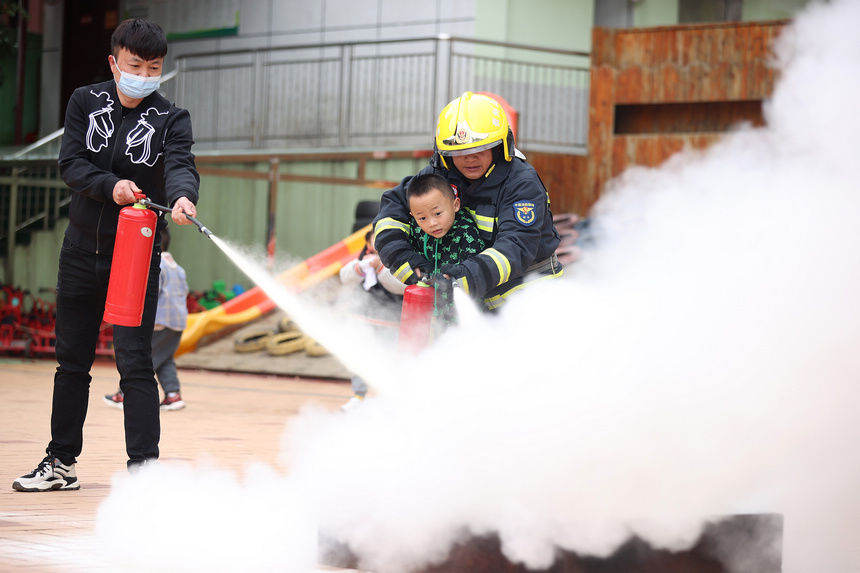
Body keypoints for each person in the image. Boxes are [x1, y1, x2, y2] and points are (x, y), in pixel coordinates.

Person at [13, 18, 199, 492]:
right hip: (79, 250)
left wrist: (182, 197)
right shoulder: (84, 101)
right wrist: (109, 186)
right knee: (71, 361)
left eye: (154, 67)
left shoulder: (172, 118)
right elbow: (71, 164)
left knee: (135, 362)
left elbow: (181, 166)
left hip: (135, 256)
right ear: (114, 63)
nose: (144, 74)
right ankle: (60, 463)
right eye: (136, 65)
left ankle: (143, 472)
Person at [373, 92, 563, 311]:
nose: (469, 158)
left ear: (499, 147)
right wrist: (411, 266)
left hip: (527, 300)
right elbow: (391, 210)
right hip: (468, 297)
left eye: (479, 149)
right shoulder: (440, 175)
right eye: (459, 151)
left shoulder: (521, 184)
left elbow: (515, 248)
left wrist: (457, 280)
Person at [103, 226, 189, 411]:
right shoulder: (178, 268)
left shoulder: (157, 265)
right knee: (164, 357)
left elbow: (151, 293)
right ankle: (173, 395)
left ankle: (124, 394)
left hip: (160, 321)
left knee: (142, 356)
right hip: (178, 322)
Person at [338, 230, 404, 412]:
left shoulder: (399, 261)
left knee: (389, 360)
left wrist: (381, 268)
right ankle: (358, 397)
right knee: (360, 357)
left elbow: (400, 287)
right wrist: (363, 267)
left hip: (390, 321)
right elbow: (344, 277)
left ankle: (387, 400)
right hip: (363, 318)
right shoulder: (362, 260)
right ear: (368, 243)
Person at [405, 172, 485, 320]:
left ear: (455, 205)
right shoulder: (417, 230)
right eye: (422, 218)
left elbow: (473, 268)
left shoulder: (465, 232)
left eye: (437, 213)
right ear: (413, 216)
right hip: (433, 313)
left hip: (464, 314)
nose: (432, 223)